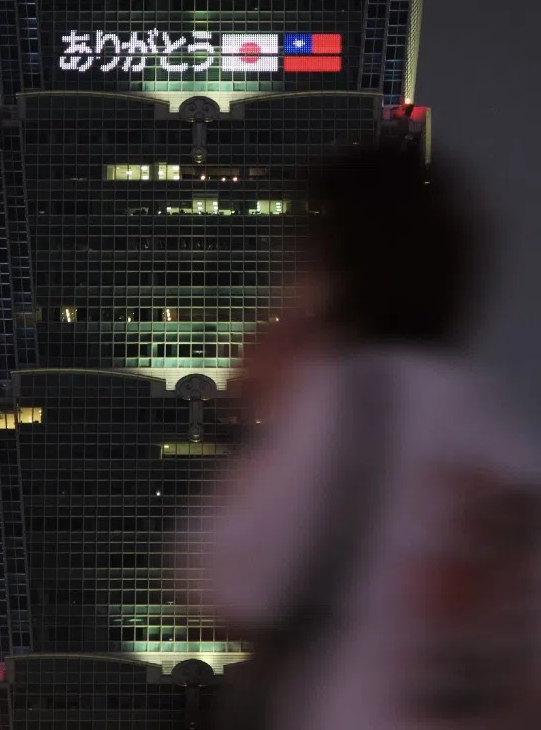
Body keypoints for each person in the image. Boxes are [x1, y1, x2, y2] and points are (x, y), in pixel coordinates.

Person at [208, 146, 541, 730]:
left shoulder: (347, 400)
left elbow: (224, 578)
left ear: (339, 275)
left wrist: (260, 413)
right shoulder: (508, 438)